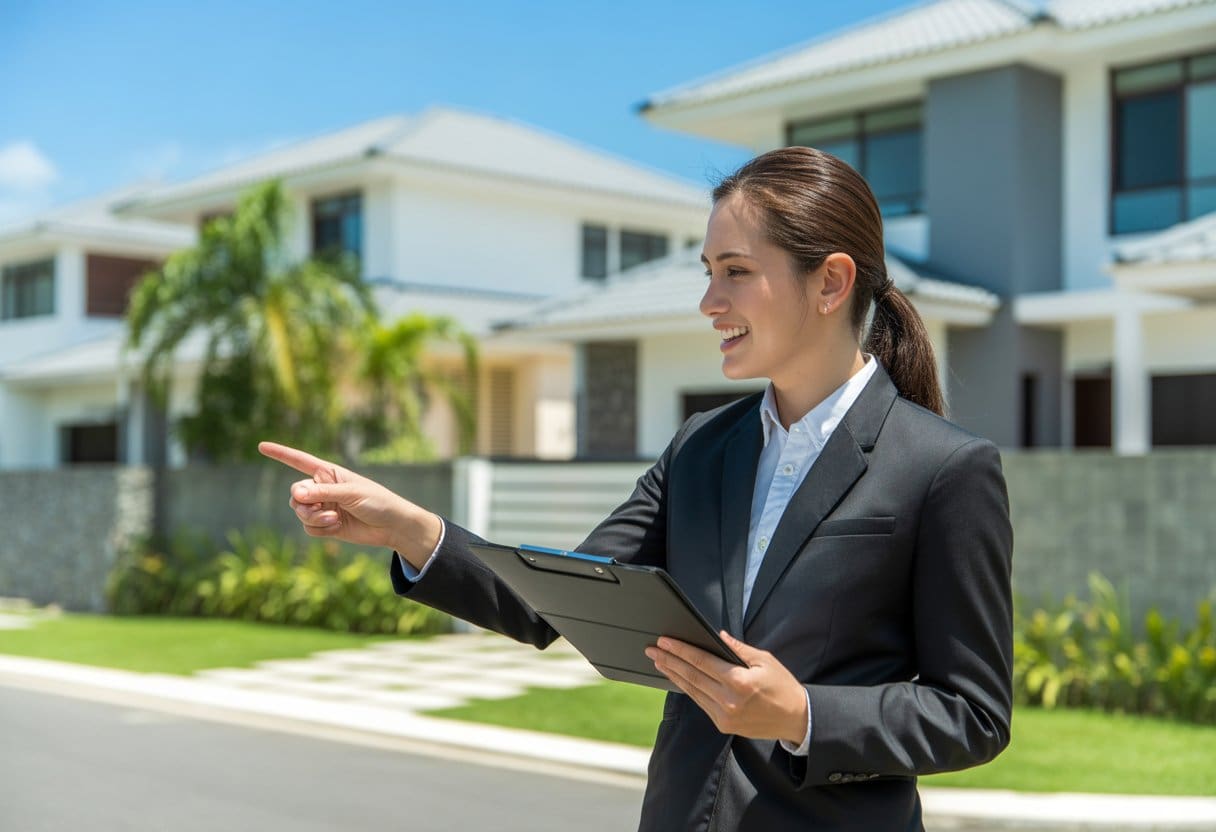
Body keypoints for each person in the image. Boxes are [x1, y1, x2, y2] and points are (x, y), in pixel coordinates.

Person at [260, 145, 1013, 831]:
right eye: (708, 273)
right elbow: (557, 599)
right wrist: (409, 530)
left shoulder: (943, 468)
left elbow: (972, 712)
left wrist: (802, 714)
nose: (709, 302)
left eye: (736, 272)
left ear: (831, 282)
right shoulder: (700, 449)